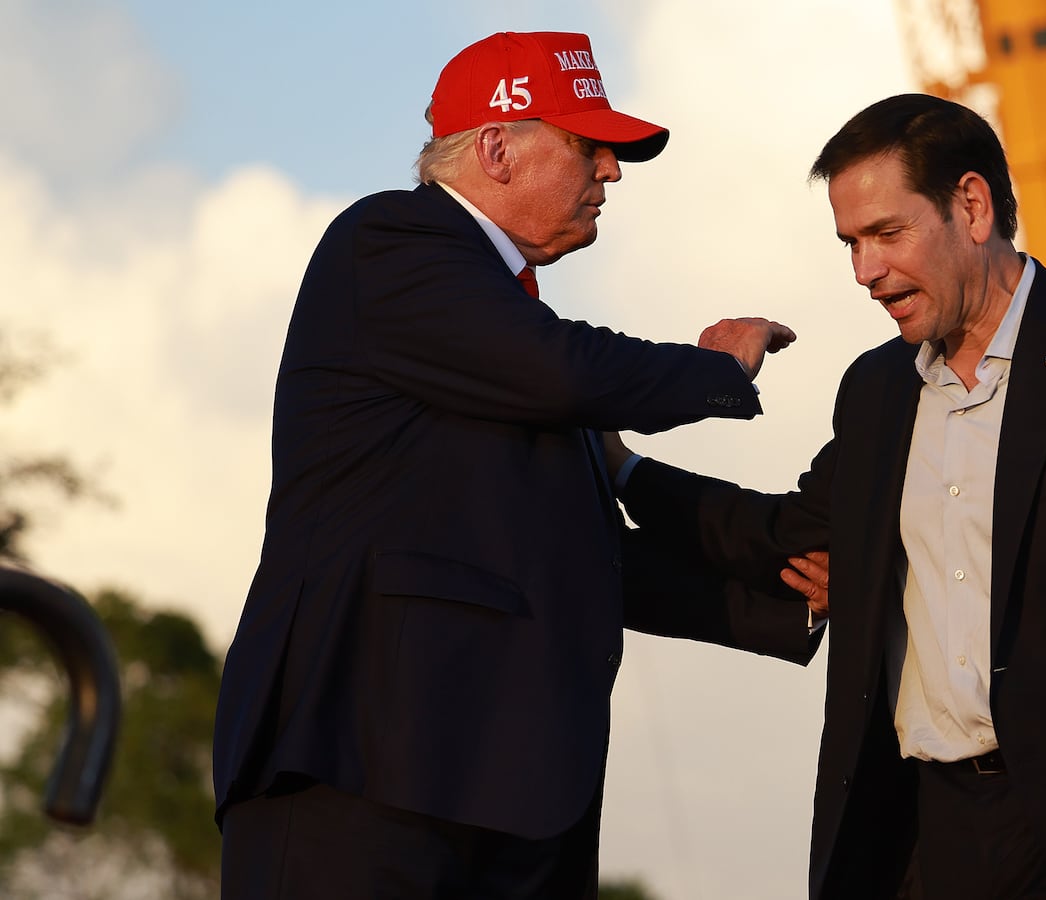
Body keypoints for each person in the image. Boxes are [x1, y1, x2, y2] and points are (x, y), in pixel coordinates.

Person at [616, 94, 1046, 899]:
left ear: (973, 206)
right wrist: (623, 470)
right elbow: (786, 534)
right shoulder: (877, 389)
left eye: (888, 233)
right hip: (930, 833)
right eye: (851, 243)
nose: (865, 272)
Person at [211, 31, 824, 899]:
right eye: (588, 144)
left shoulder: (496, 333)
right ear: (495, 146)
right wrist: (717, 368)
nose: (611, 170)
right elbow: (565, 368)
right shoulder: (389, 241)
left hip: (509, 792)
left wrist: (790, 595)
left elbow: (577, 555)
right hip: (367, 772)